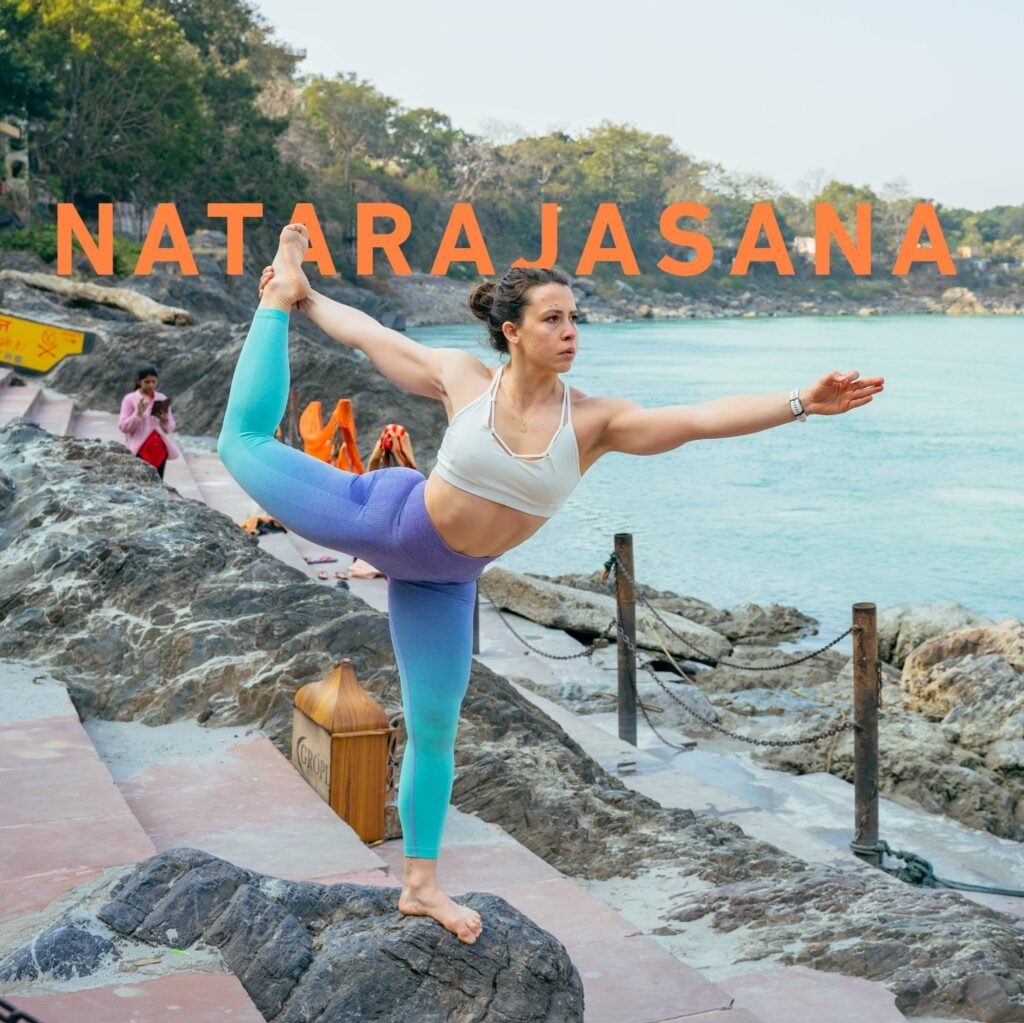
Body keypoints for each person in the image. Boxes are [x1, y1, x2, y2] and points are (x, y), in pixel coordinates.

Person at [218, 223, 885, 945]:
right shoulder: (463, 379)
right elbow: (370, 335)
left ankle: (420, 886)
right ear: (512, 331)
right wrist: (303, 300)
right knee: (240, 442)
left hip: (446, 581)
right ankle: (276, 298)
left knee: (436, 728)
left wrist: (799, 402)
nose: (571, 332)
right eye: (553, 319)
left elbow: (695, 420)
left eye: (575, 318)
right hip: (383, 522)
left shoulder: (593, 423)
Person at [118, 365, 180, 480]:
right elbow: (123, 426)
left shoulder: (161, 398)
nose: (151, 385)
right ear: (139, 382)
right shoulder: (130, 399)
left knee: (158, 482)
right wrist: (138, 414)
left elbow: (170, 427)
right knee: (140, 482)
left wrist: (164, 420)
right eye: (147, 382)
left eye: (153, 382)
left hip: (160, 450)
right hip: (140, 450)